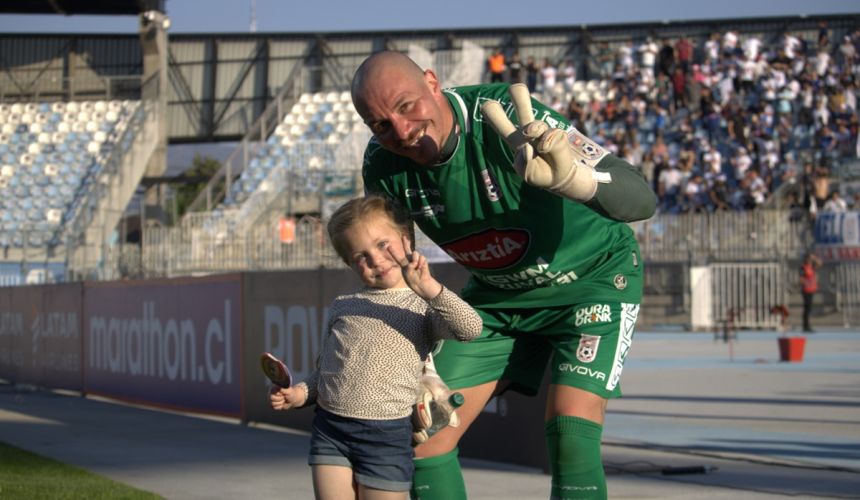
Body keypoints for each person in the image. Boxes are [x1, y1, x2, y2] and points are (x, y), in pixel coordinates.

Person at [351, 51, 657, 500]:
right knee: (423, 432)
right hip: (497, 297)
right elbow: (395, 275)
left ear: (433, 83)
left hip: (593, 280)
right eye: (380, 124)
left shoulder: (508, 117)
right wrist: (420, 359)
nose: (401, 131)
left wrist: (578, 181)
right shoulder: (382, 165)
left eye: (406, 105)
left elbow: (641, 198)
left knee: (571, 430)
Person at [269, 195, 482, 500]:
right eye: (361, 256)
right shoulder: (343, 306)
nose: (376, 260)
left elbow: (470, 328)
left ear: (405, 239)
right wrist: (299, 393)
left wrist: (429, 289)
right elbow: (328, 373)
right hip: (330, 430)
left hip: (387, 437)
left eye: (383, 245)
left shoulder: (421, 306)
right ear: (349, 264)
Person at [799, 252, 822, 333]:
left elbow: (820, 263)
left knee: (809, 308)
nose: (810, 260)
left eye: (810, 259)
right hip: (806, 290)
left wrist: (814, 258)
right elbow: (801, 279)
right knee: (807, 308)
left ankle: (807, 325)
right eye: (809, 258)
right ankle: (806, 326)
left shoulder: (812, 266)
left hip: (812, 289)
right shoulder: (803, 267)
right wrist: (806, 283)